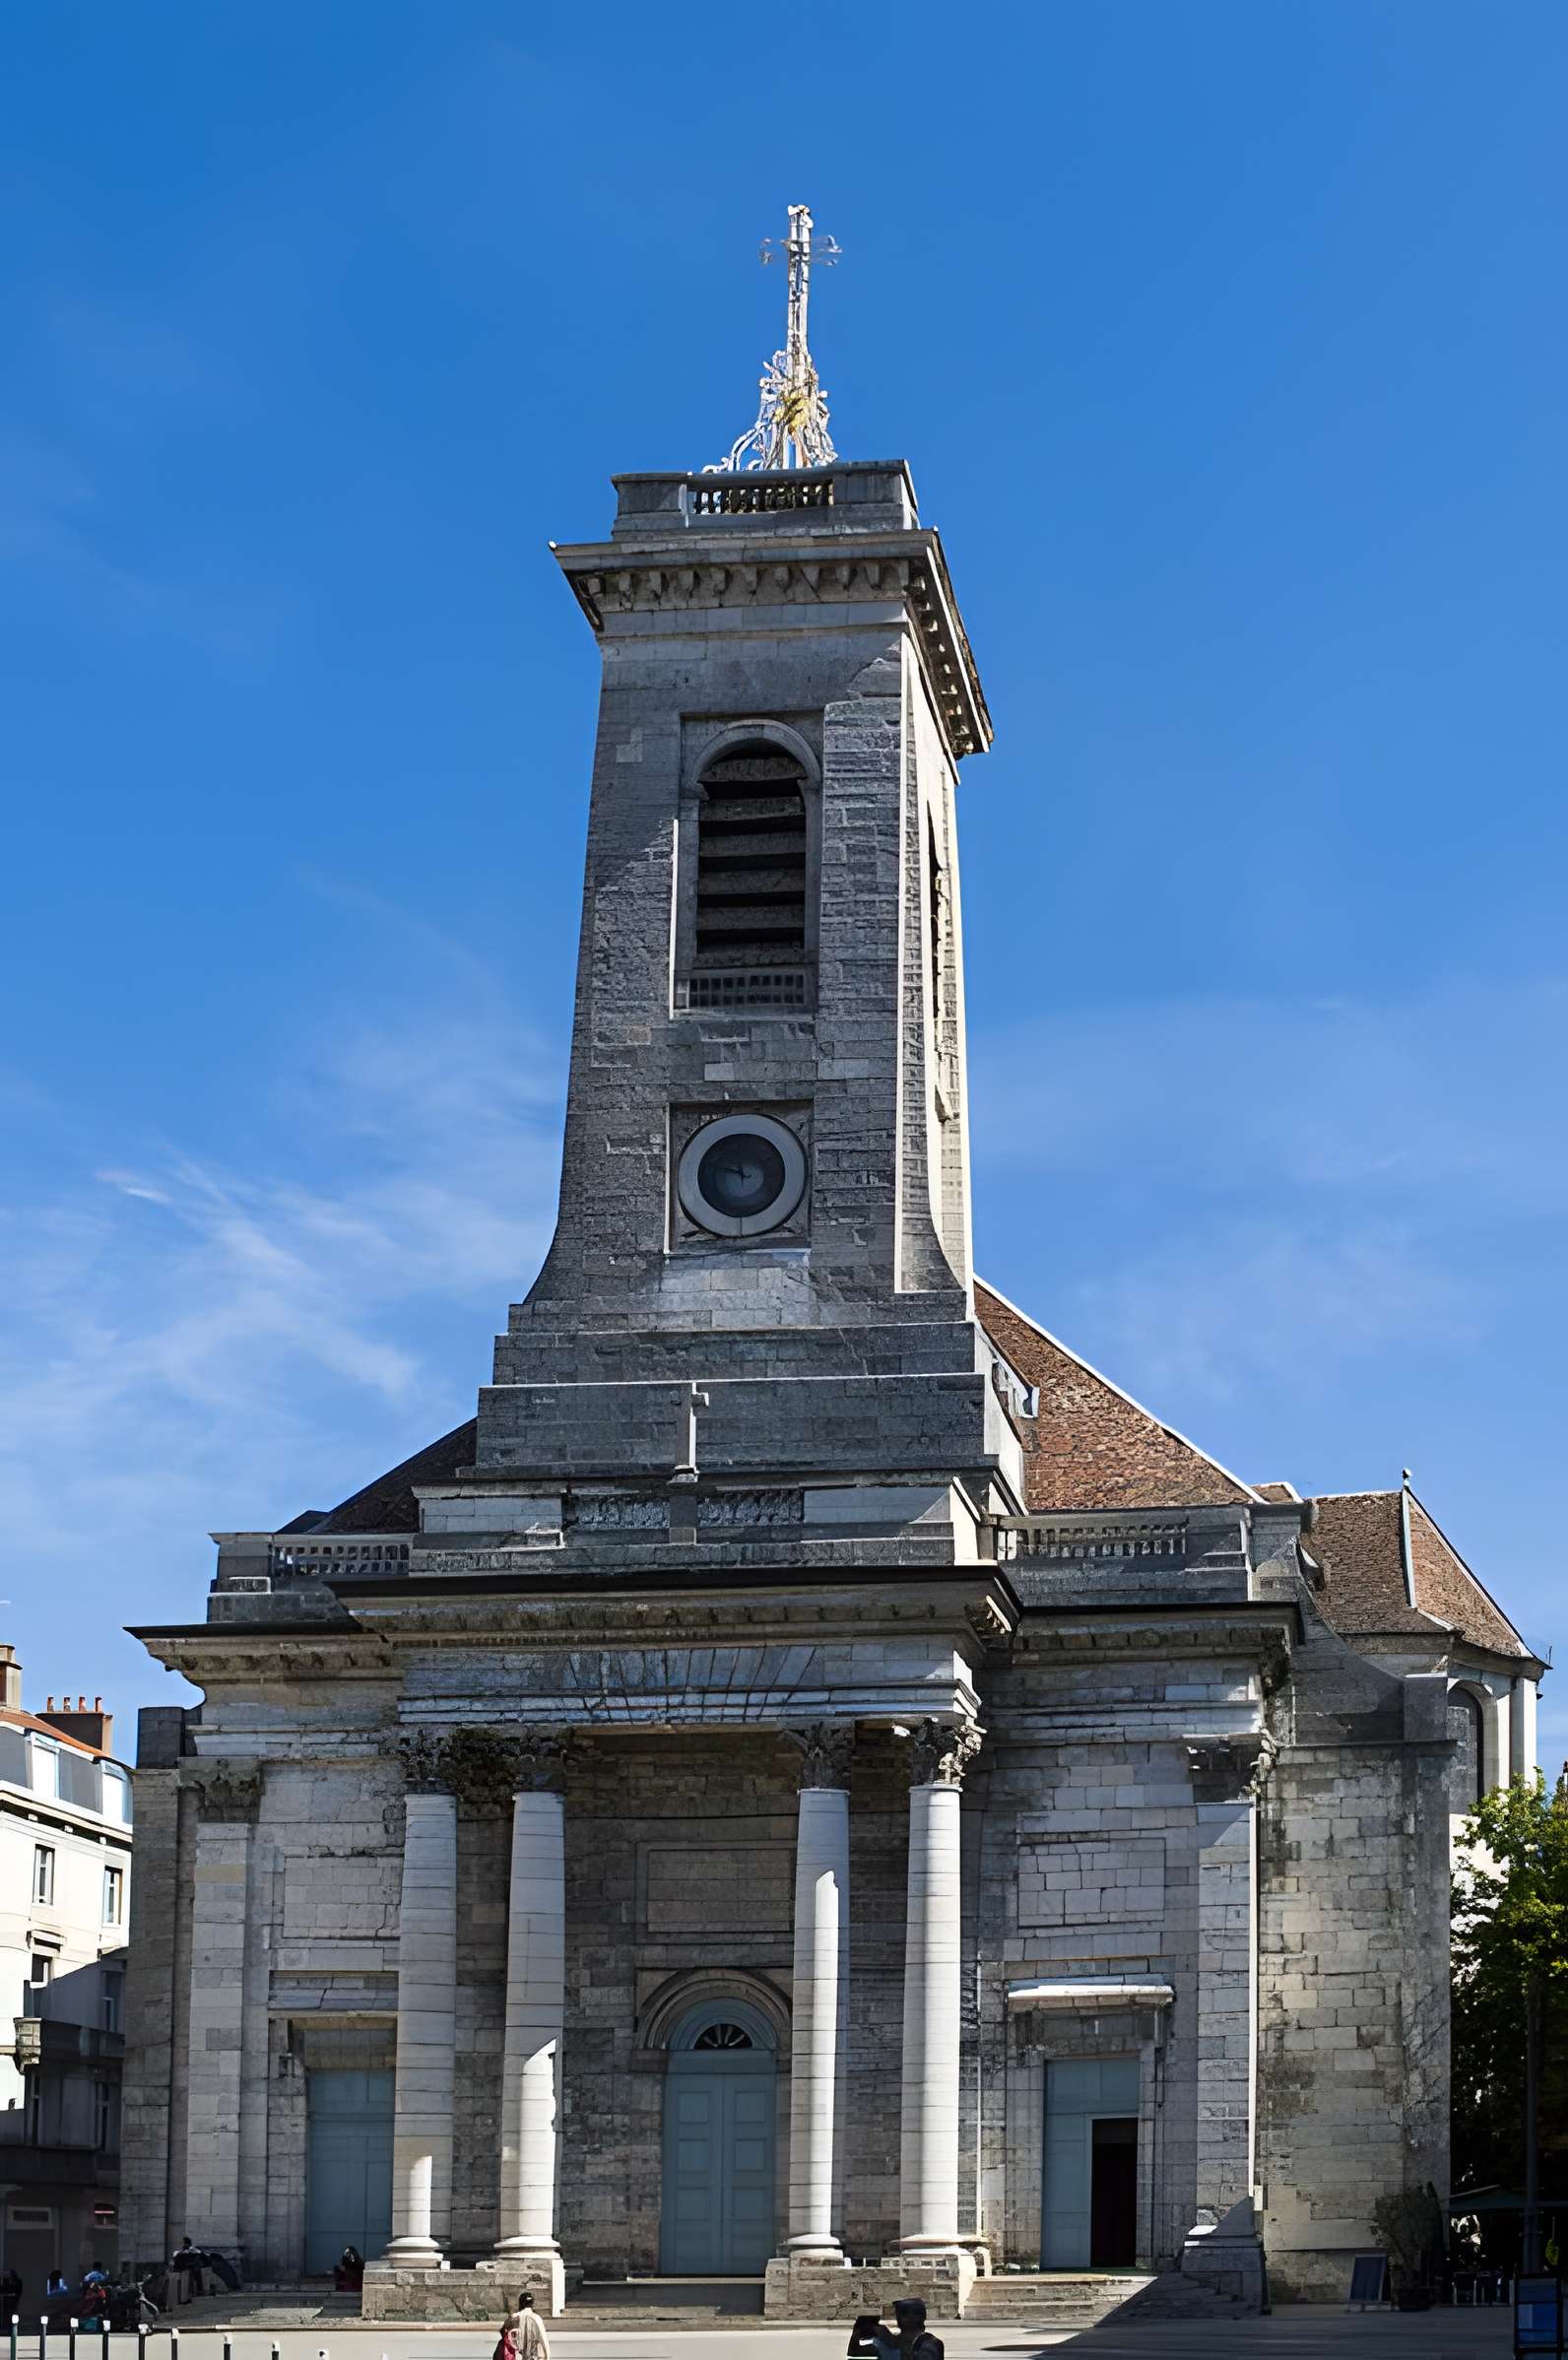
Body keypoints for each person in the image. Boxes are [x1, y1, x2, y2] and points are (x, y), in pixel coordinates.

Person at [847, 2298, 944, 2360]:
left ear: (916, 2317)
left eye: (900, 2314)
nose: (897, 2318)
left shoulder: (928, 2343)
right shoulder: (894, 2340)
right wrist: (857, 2335)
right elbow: (855, 2353)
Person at [495, 2290, 550, 2360]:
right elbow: (543, 2340)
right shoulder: (536, 2318)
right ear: (532, 2304)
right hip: (533, 2357)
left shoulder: (513, 2317)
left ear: (520, 2303)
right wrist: (547, 2356)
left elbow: (503, 2332)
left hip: (517, 2356)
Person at [170, 2238, 204, 2303]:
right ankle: (196, 2292)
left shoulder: (189, 2251)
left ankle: (196, 2292)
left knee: (195, 2273)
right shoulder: (184, 2251)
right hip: (184, 2269)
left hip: (186, 2269)